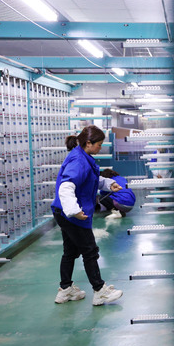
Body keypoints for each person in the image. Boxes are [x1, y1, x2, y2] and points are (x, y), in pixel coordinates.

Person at [51, 125, 124, 306]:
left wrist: (108, 183)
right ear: (88, 143)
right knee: (90, 251)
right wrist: (75, 211)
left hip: (65, 213)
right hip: (72, 214)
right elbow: (66, 186)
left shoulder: (84, 157)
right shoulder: (78, 160)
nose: (101, 148)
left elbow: (91, 178)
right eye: (99, 144)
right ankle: (100, 291)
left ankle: (65, 290)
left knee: (70, 252)